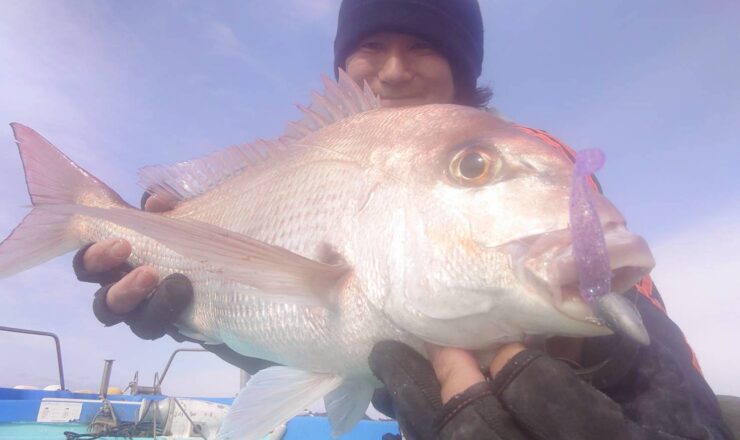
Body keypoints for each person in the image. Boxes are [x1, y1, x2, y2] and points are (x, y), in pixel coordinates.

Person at [73, 0, 736, 438]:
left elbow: (636, 306)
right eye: (373, 45)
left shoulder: (534, 157)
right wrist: (205, 311)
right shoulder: (301, 168)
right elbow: (299, 317)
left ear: (463, 69)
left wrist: (625, 371)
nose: (393, 71)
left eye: (422, 45)